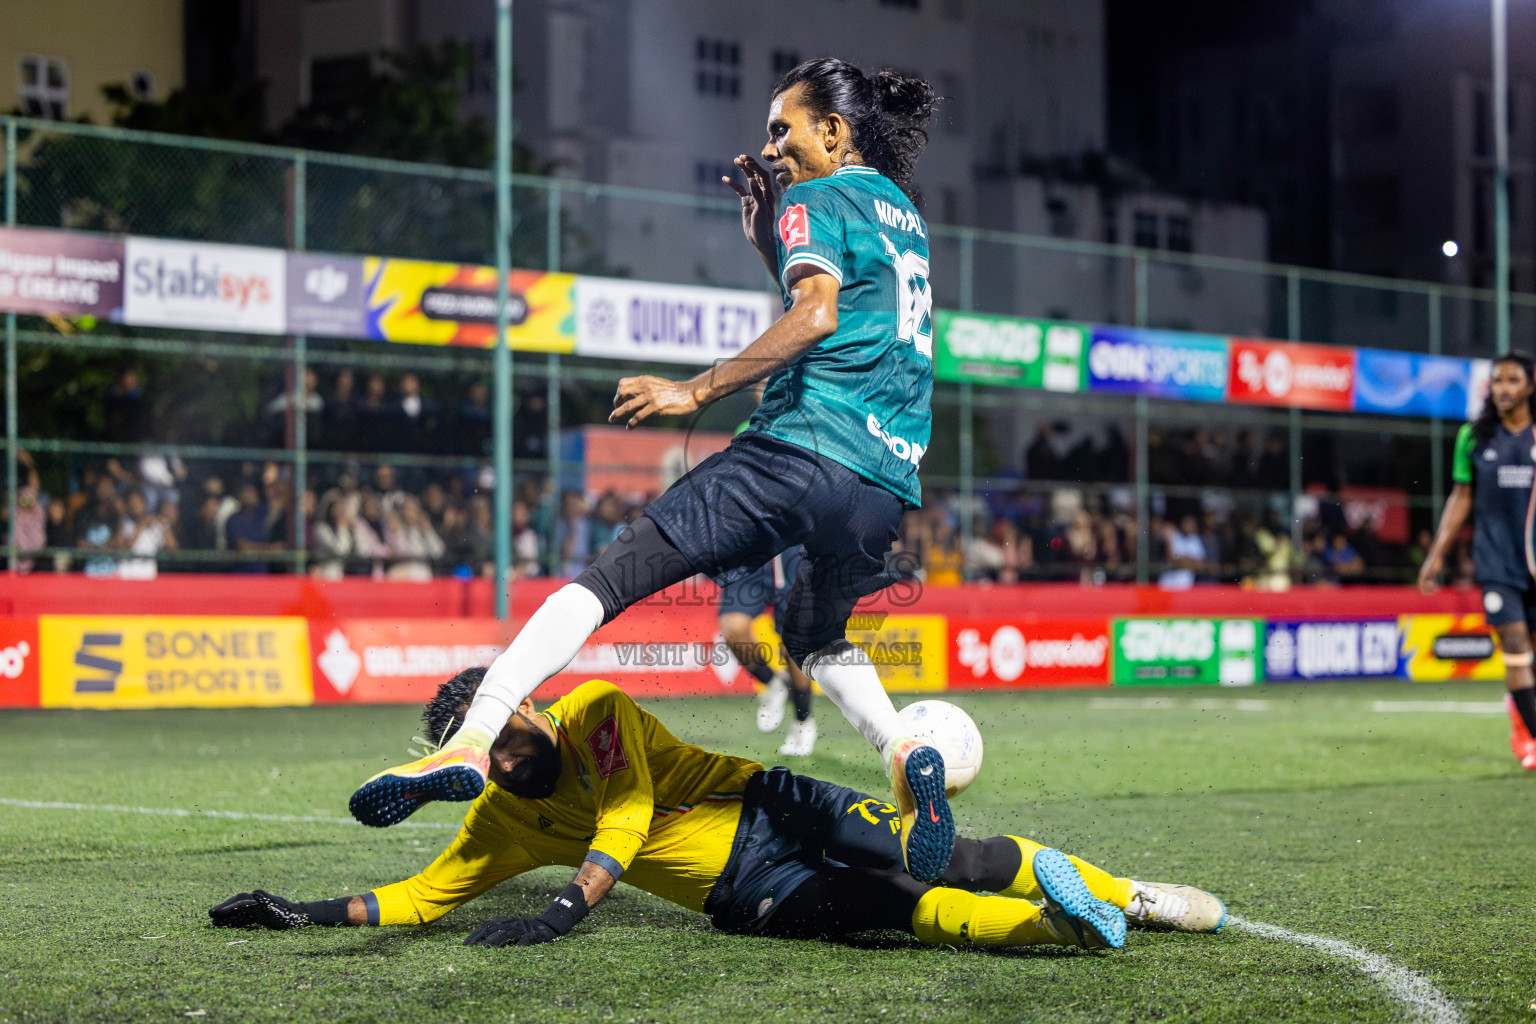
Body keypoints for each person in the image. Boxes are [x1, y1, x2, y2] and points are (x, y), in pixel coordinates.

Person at [348, 58, 960, 884]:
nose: (771, 144)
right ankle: (904, 749)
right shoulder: (906, 215)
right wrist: (765, 240)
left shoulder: (816, 198)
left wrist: (695, 388)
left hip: (800, 448)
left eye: (784, 128)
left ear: (833, 130)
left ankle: (473, 734)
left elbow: (817, 316)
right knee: (814, 633)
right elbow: (846, 314)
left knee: (606, 578)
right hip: (883, 487)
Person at [219, 673, 1224, 950]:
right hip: (746, 893)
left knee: (942, 863)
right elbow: (420, 897)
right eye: (491, 746)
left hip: (771, 806)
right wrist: (301, 913)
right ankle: (1067, 919)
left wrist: (569, 908)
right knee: (899, 911)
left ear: (527, 705)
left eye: (506, 725)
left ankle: (1132, 895)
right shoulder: (495, 825)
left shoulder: (597, 711)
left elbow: (627, 814)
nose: (523, 737)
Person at [1419, 350, 1536, 771]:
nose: (1503, 388)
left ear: (1530, 384)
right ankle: (1531, 736)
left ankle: (1521, 717)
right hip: (1496, 566)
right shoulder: (1474, 437)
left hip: (1535, 564)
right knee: (1516, 646)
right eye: (1497, 381)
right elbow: (1460, 498)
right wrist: (1436, 556)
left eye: (1512, 380)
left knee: (1531, 656)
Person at [720, 546, 818, 756]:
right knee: (732, 628)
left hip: (792, 548)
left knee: (793, 643)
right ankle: (775, 684)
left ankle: (803, 719)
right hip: (753, 546)